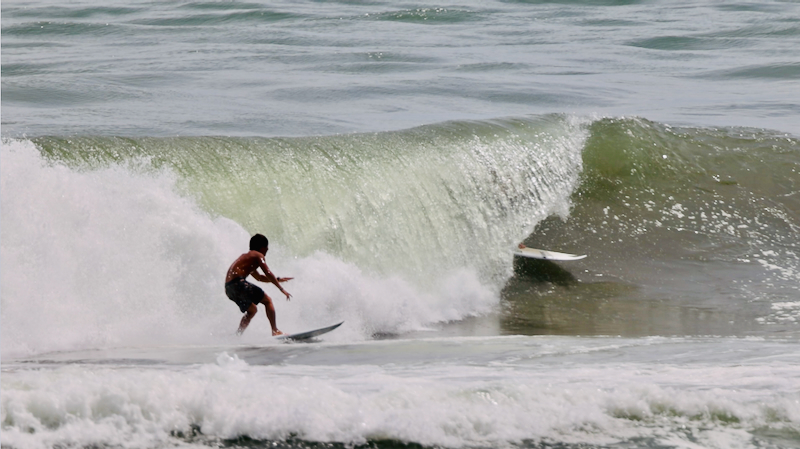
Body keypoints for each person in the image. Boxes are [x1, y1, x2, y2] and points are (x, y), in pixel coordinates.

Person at [225, 234, 292, 336]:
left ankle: (238, 334)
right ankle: (275, 331)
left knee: (252, 310)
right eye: (266, 247)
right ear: (262, 247)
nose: (267, 250)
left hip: (229, 288)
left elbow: (259, 277)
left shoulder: (246, 258)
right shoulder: (258, 255)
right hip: (238, 283)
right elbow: (268, 273)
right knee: (267, 300)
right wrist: (281, 289)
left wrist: (278, 279)